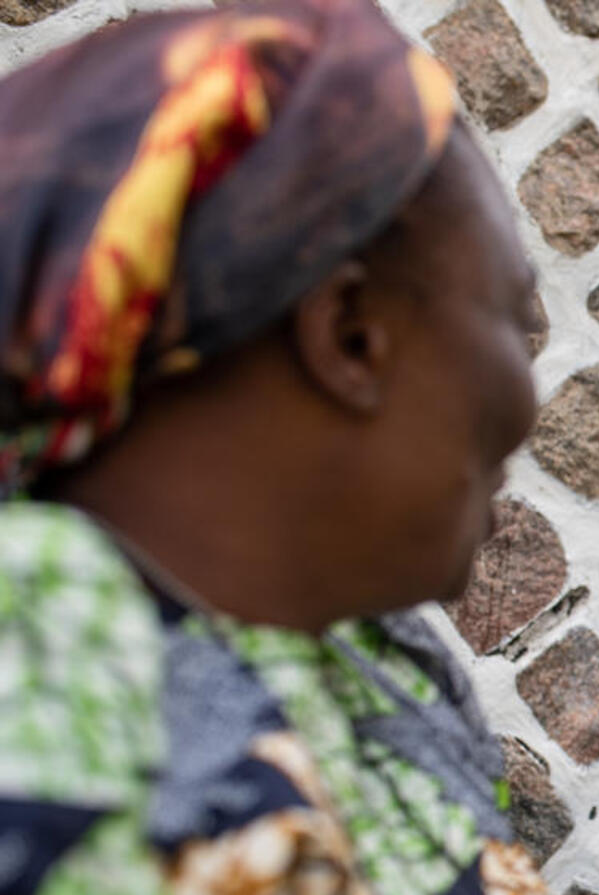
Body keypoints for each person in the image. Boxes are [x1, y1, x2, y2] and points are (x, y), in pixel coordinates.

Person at [0, 1, 549, 891]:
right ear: (350, 332)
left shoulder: (375, 670)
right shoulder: (38, 662)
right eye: (519, 321)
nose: (531, 402)